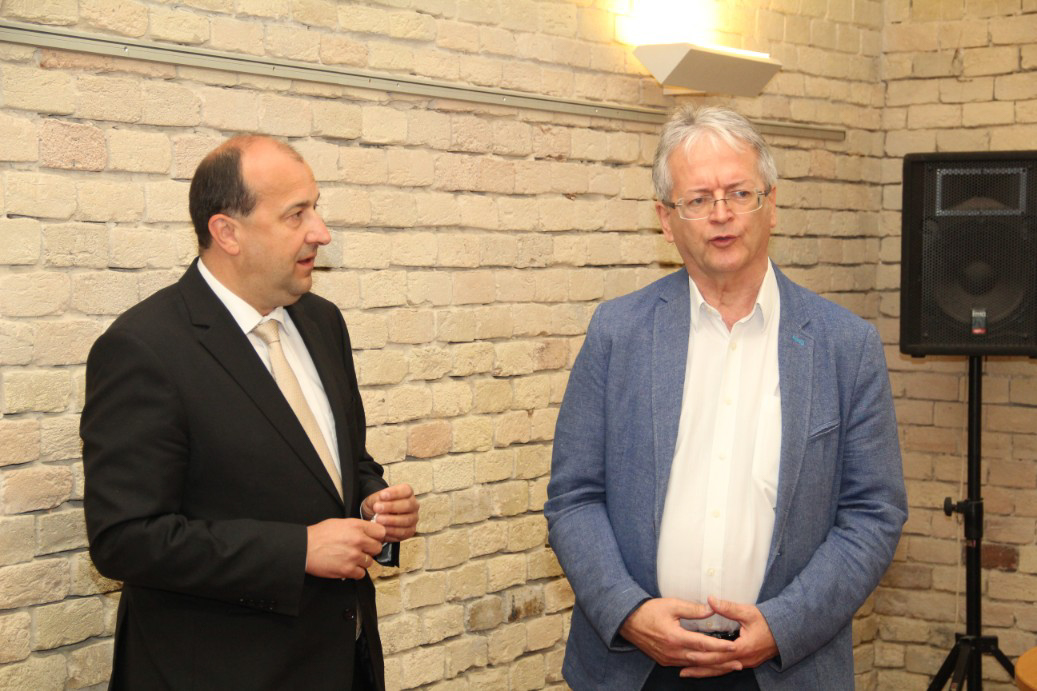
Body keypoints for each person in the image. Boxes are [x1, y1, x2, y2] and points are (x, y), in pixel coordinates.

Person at [544, 106, 907, 690]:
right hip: (636, 667)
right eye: (697, 199)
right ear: (666, 220)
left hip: (784, 669)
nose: (721, 214)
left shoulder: (845, 345)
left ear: (771, 204)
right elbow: (574, 497)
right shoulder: (617, 333)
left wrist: (784, 627)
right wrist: (629, 613)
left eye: (739, 193)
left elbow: (872, 514)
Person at [81, 135, 419, 690]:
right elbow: (126, 539)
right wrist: (298, 550)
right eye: (296, 214)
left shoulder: (322, 322)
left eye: (316, 208)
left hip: (340, 664)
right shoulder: (144, 348)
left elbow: (340, 463)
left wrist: (372, 501)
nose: (321, 232)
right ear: (227, 232)